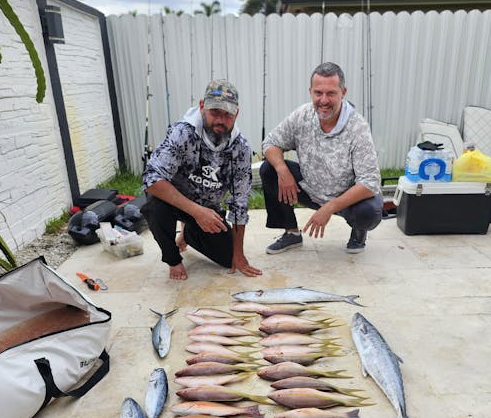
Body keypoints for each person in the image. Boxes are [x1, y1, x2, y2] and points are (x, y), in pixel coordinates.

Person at [141, 79, 262, 281]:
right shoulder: (183, 133)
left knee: (227, 258)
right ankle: (172, 258)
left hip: (208, 208)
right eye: (215, 112)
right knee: (155, 206)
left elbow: (240, 204)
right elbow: (151, 179)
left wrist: (239, 255)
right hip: (174, 202)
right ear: (202, 106)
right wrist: (196, 211)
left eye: (227, 114)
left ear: (237, 114)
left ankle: (188, 233)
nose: (220, 121)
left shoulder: (241, 149)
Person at [260, 62, 383, 254]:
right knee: (269, 169)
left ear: (343, 92)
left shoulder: (357, 127)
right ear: (310, 92)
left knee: (370, 212)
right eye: (318, 93)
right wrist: (283, 171)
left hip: (345, 198)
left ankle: (359, 231)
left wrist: (329, 208)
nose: (323, 100)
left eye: (331, 93)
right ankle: (291, 233)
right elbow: (270, 143)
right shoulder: (302, 115)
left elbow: (370, 182)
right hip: (311, 188)